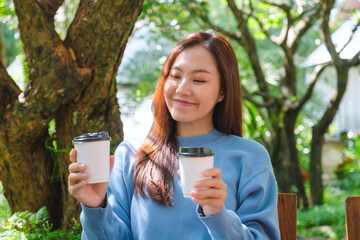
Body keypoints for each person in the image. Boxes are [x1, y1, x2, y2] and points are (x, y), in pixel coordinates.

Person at [68, 32, 280, 239]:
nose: (182, 89)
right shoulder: (131, 154)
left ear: (222, 92)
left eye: (199, 80)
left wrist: (218, 215)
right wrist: (95, 206)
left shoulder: (250, 157)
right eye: (175, 76)